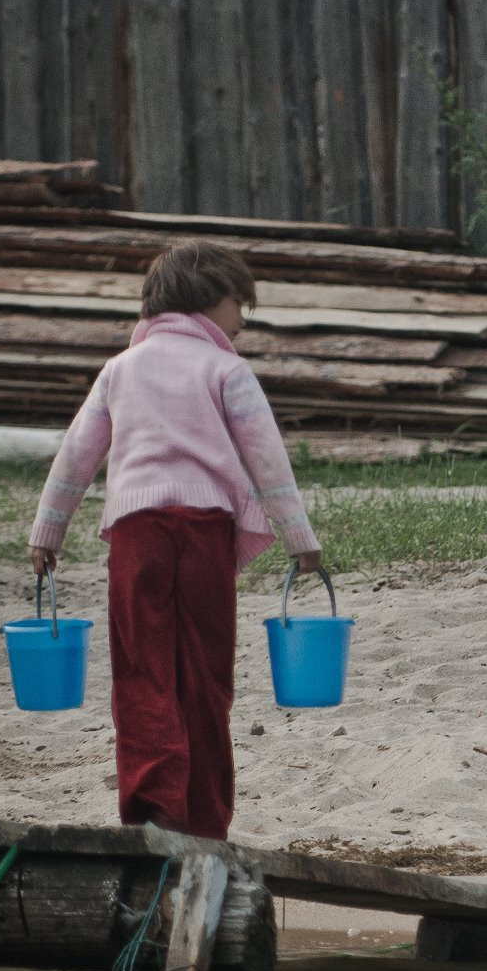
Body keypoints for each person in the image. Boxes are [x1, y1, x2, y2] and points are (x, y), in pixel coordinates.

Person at [27, 240, 323, 840]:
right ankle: (205, 820)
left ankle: (154, 808)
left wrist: (47, 531)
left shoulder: (120, 370)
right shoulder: (227, 371)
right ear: (212, 298)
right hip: (206, 536)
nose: (243, 318)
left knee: (143, 669)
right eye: (241, 303)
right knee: (206, 675)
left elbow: (77, 454)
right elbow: (267, 460)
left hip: (139, 538)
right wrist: (300, 541)